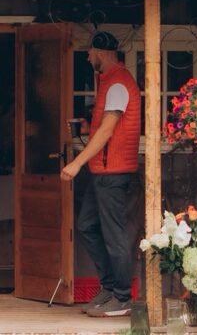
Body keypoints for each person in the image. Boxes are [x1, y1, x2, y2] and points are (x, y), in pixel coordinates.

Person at [61, 31, 141, 318]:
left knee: (114, 236)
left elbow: (108, 131)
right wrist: (86, 128)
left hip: (113, 172)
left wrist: (76, 163)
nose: (87, 56)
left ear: (101, 53)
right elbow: (106, 127)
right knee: (86, 226)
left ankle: (122, 297)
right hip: (103, 171)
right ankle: (109, 287)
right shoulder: (109, 81)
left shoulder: (118, 83)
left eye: (90, 52)